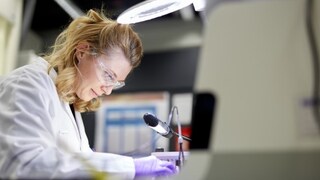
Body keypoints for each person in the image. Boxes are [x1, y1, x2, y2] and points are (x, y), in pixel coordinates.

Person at [0, 9, 177, 179]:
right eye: (108, 75)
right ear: (82, 51)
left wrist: (120, 168)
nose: (107, 90)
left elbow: (73, 165)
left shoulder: (68, 102)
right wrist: (129, 168)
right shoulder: (27, 83)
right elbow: (22, 165)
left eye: (115, 83)